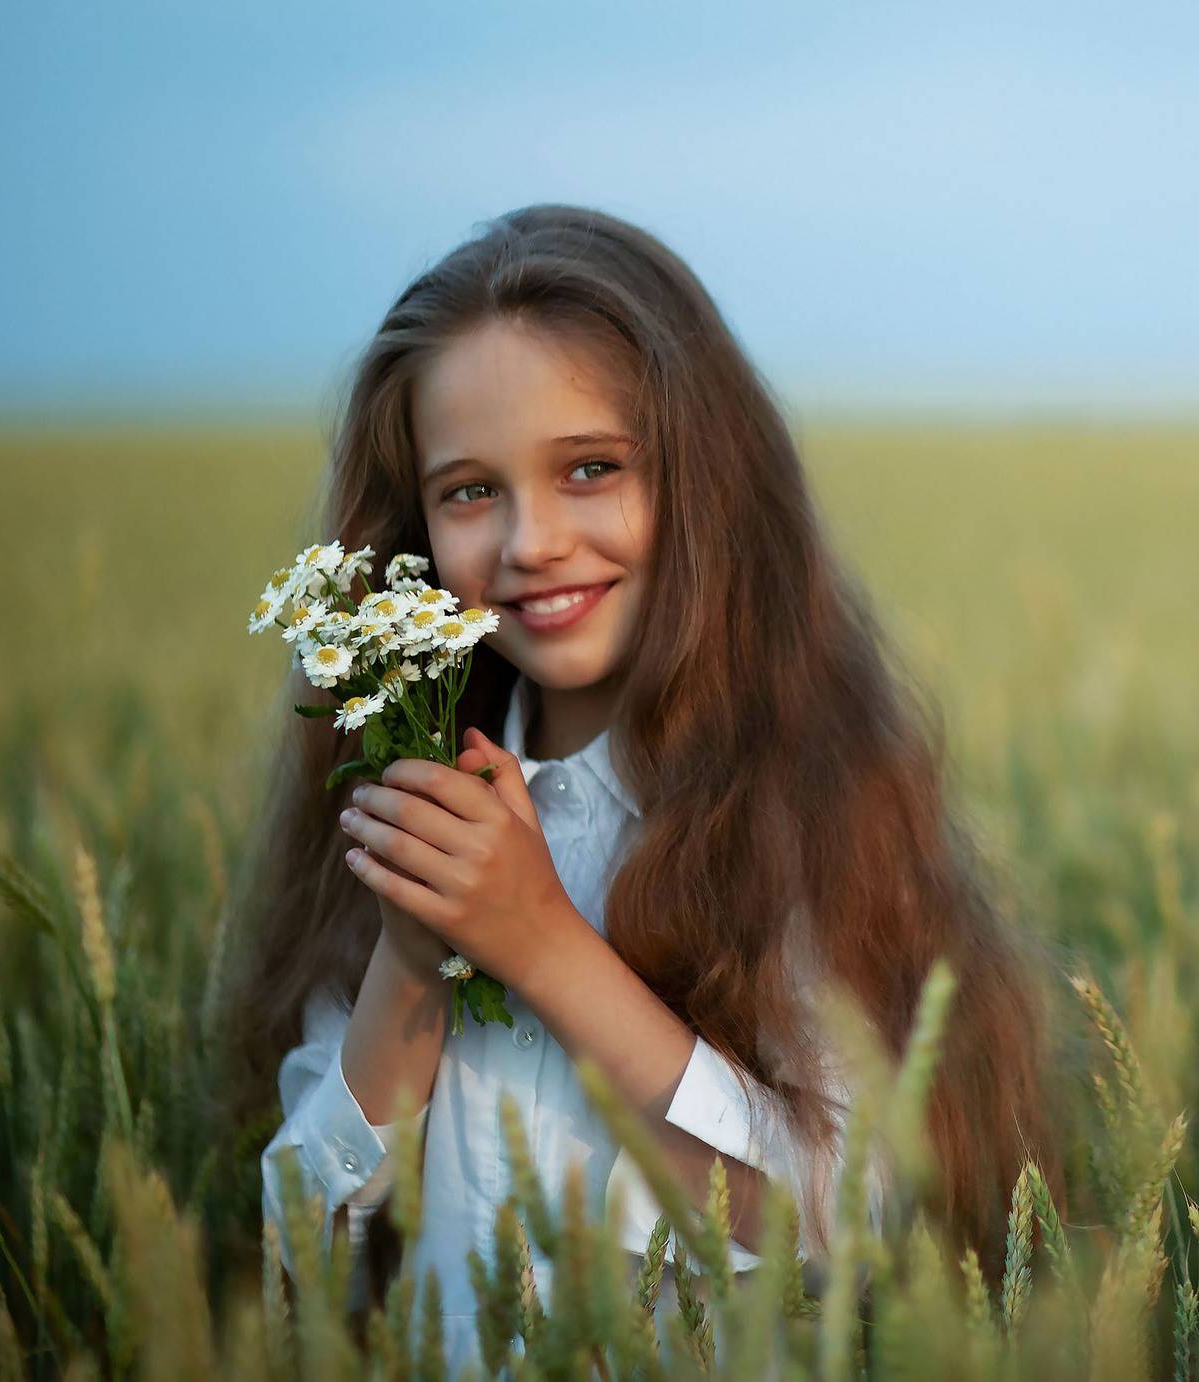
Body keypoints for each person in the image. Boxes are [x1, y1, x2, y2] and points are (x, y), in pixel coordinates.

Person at [219, 204, 1067, 1376]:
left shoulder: (799, 815)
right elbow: (301, 1265)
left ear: (704, 482)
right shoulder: (402, 803)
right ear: (416, 529)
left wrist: (539, 943)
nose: (532, 540)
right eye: (469, 490)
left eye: (591, 469)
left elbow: (834, 1231)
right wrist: (410, 959)